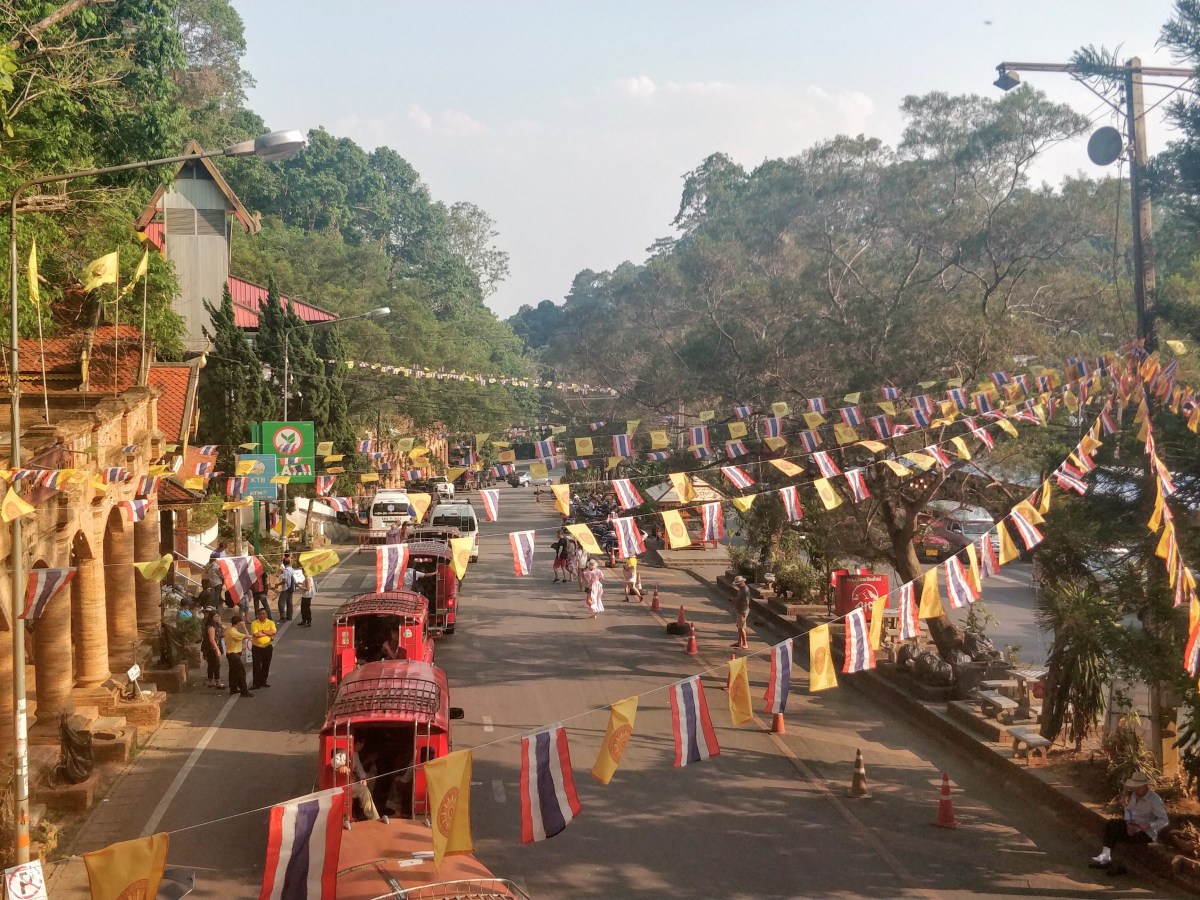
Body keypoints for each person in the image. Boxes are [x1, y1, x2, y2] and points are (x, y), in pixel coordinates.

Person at [1090, 771, 1169, 872]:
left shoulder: (1154, 800)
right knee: (1112, 825)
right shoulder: (1134, 796)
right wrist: (1129, 823)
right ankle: (1105, 857)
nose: (1136, 790)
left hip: (1146, 833)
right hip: (1134, 826)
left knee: (1119, 835)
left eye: (1138, 787)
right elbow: (1129, 810)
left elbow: (1164, 820)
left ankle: (1120, 865)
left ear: (1145, 786)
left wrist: (1149, 825)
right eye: (1134, 787)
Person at [334, 735, 389, 827]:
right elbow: (335, 760)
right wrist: (341, 766)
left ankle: (363, 808)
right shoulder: (343, 751)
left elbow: (359, 769)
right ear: (357, 743)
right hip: (341, 785)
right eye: (361, 744)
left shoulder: (355, 754)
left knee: (370, 781)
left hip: (351, 783)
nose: (362, 746)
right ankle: (374, 818)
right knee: (363, 790)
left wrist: (363, 779)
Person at [224, 614, 254, 697]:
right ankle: (244, 691)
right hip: (234, 655)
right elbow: (247, 636)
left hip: (232, 654)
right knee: (241, 672)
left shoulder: (230, 630)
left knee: (233, 672)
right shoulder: (233, 631)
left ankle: (233, 689)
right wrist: (244, 627)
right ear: (238, 622)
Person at [248, 607, 277, 689]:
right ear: (257, 615)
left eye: (263, 613)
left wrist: (263, 631)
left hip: (267, 647)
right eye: (260, 614)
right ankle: (256, 684)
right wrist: (268, 634)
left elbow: (274, 632)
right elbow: (256, 635)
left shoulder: (271, 622)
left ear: (266, 614)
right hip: (257, 648)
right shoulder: (254, 623)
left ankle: (263, 681)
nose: (262, 615)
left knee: (266, 665)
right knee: (256, 666)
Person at [201, 609, 224, 689]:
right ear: (212, 617)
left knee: (211, 665)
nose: (217, 618)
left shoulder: (216, 625)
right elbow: (212, 639)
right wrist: (217, 649)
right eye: (216, 616)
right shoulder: (211, 627)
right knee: (216, 664)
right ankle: (217, 682)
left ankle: (211, 681)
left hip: (212, 648)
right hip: (211, 649)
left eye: (218, 616)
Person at [731, 575, 750, 649]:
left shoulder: (745, 590)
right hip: (739, 609)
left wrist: (737, 601)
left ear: (741, 583)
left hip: (743, 610)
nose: (737, 586)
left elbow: (747, 602)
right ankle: (739, 642)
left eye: (738, 584)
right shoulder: (741, 589)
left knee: (742, 627)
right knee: (739, 627)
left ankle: (745, 643)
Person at [277, 555, 296, 622]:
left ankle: (283, 617)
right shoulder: (291, 569)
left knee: (281, 603)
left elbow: (284, 581)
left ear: (283, 563)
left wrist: (278, 584)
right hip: (291, 588)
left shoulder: (285, 571)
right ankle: (289, 616)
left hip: (285, 589)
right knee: (289, 602)